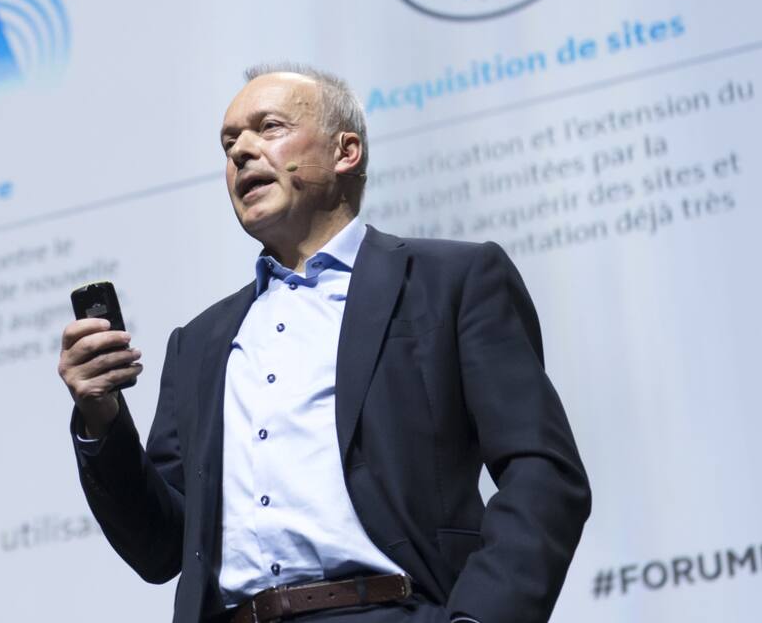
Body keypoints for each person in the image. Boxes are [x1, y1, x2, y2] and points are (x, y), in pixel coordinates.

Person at [57, 65, 591, 623]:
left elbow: (542, 473)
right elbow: (161, 547)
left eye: (268, 127)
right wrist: (101, 417)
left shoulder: (450, 281)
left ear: (346, 152)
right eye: (228, 143)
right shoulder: (198, 344)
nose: (241, 152)